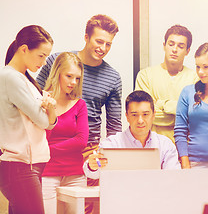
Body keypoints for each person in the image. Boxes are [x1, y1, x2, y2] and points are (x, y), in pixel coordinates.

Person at [36, 14, 121, 214]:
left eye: (108, 44)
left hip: (87, 154)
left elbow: (114, 126)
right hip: (49, 151)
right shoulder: (58, 61)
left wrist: (104, 162)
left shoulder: (113, 77)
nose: (103, 48)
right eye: (99, 41)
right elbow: (36, 97)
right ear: (86, 37)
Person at [0, 25, 57, 214]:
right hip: (19, 167)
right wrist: (47, 110)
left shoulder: (26, 80)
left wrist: (48, 111)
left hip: (28, 166)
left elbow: (49, 122)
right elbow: (43, 122)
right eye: (41, 55)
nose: (43, 62)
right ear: (24, 49)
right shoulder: (10, 77)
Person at [83, 90, 180, 179]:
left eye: (145, 114)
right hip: (121, 195)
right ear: (127, 116)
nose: (140, 120)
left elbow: (173, 177)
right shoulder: (112, 144)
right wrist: (92, 166)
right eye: (134, 115)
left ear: (153, 115)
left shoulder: (165, 144)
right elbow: (95, 173)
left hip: (154, 195)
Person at [41, 52, 89, 214]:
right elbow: (40, 138)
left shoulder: (80, 105)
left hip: (75, 174)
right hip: (47, 173)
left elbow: (82, 140)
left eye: (77, 78)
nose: (73, 82)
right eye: (69, 76)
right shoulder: (41, 101)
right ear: (57, 73)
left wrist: (48, 150)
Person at [135, 25, 198, 142]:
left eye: (180, 46)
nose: (174, 49)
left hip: (185, 150)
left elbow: (195, 116)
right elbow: (143, 115)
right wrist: (181, 113)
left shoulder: (195, 78)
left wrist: (161, 104)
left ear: (187, 51)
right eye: (171, 44)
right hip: (152, 147)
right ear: (164, 46)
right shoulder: (145, 76)